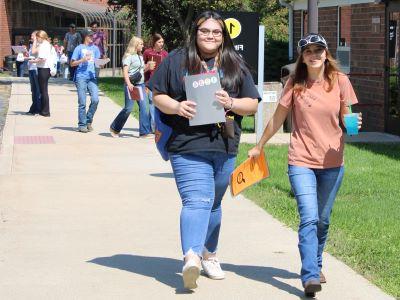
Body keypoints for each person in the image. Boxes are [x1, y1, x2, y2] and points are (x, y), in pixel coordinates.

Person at [148, 11, 260, 290]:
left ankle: (209, 254)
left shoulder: (235, 64)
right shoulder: (176, 60)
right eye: (204, 31)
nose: (210, 36)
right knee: (197, 200)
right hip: (187, 144)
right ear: (195, 33)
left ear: (223, 36)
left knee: (214, 202)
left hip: (225, 145)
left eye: (216, 32)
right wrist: (177, 107)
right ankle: (191, 258)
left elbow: (253, 104)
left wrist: (231, 102)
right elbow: (157, 93)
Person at [248, 33, 362, 297]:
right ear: (302, 56)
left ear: (326, 53)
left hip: (333, 162)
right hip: (301, 160)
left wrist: (353, 125)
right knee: (309, 217)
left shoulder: (341, 81)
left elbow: (348, 119)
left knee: (322, 220)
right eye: (308, 51)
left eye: (318, 50)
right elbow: (277, 118)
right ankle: (310, 275)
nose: (314, 55)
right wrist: (259, 145)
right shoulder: (294, 84)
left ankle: (317, 263)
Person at [109, 36, 152, 138]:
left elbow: (141, 71)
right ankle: (114, 128)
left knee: (144, 107)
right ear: (135, 45)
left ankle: (144, 132)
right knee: (128, 108)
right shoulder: (128, 56)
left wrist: (147, 67)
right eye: (141, 44)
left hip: (140, 84)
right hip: (131, 85)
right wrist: (128, 84)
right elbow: (125, 72)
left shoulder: (140, 56)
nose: (143, 46)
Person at [70, 29, 101, 133]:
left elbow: (97, 63)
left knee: (95, 100)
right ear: (85, 37)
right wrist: (82, 60)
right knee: (82, 102)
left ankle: (88, 120)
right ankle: (82, 124)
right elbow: (72, 63)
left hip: (92, 77)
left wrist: (101, 63)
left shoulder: (95, 49)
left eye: (93, 36)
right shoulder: (79, 48)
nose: (92, 37)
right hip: (81, 77)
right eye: (90, 36)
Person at [143, 33, 168, 131]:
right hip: (150, 82)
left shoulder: (165, 54)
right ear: (154, 42)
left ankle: (150, 126)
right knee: (152, 103)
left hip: (162, 83)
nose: (161, 44)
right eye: (159, 42)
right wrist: (148, 67)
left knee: (157, 104)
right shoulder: (147, 52)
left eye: (162, 42)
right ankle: (154, 128)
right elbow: (142, 67)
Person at [30, 30, 52, 117]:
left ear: (41, 37)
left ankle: (45, 111)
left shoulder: (44, 45)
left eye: (38, 37)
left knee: (43, 91)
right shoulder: (46, 44)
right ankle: (44, 110)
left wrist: (34, 61)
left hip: (43, 69)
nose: (37, 39)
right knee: (44, 91)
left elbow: (42, 58)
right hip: (44, 68)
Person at [26, 31, 41, 115]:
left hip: (36, 68)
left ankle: (38, 108)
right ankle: (33, 107)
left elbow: (35, 53)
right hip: (31, 68)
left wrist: (35, 41)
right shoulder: (32, 45)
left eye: (32, 36)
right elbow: (31, 54)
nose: (31, 37)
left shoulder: (39, 45)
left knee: (38, 90)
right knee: (33, 90)